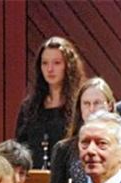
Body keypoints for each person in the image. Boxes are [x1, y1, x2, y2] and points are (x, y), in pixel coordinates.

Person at [15, 37, 86, 169]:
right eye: (45, 63)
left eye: (57, 63)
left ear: (68, 66)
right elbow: (20, 146)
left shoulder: (80, 104)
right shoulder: (30, 107)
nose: (50, 69)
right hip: (34, 178)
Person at [50, 77, 116, 183]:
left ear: (109, 106)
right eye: (86, 103)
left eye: (97, 103)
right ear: (79, 108)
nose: (91, 109)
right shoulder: (63, 149)